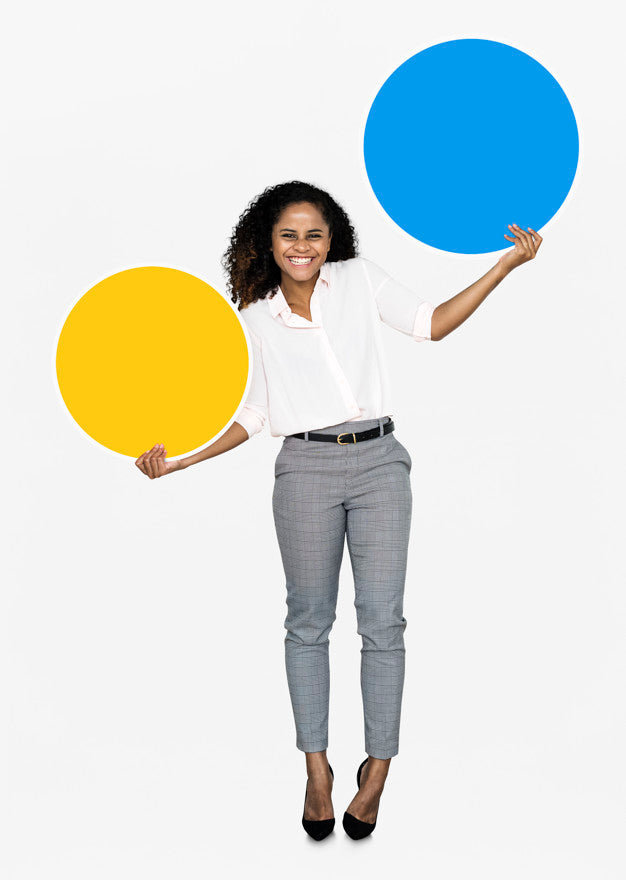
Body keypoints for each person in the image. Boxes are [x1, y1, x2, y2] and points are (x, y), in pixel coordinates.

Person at [135, 180, 542, 840]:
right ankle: (317, 770)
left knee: (383, 620)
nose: (303, 246)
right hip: (304, 469)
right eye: (290, 235)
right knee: (308, 622)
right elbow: (253, 413)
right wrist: (182, 459)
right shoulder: (254, 316)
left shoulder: (358, 280)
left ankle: (377, 772)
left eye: (315, 234)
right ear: (269, 241)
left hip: (380, 461)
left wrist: (503, 265)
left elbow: (429, 323)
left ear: (332, 240)